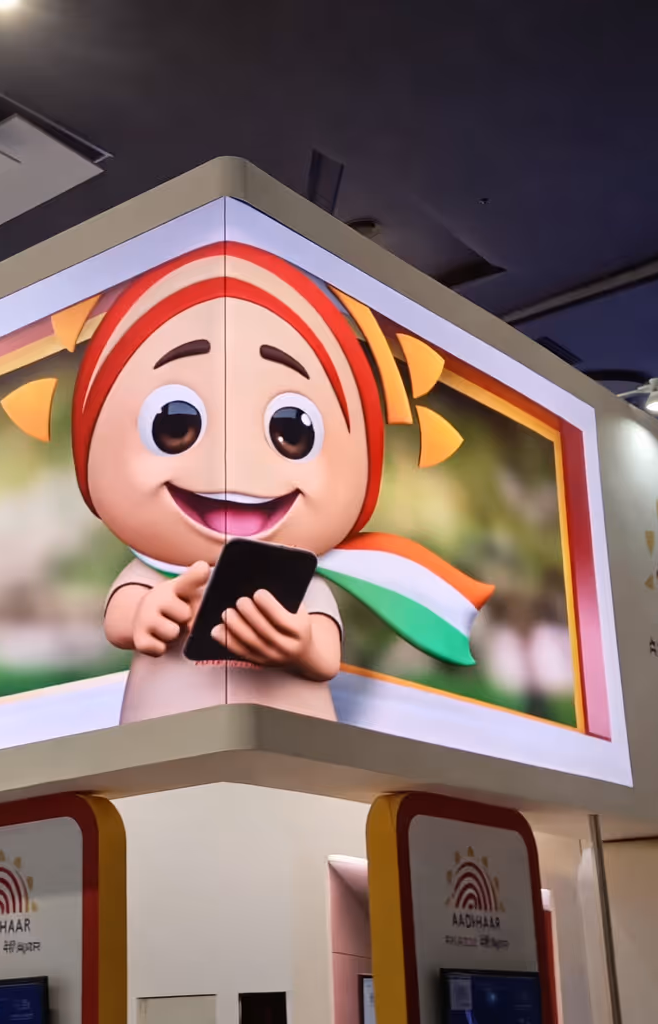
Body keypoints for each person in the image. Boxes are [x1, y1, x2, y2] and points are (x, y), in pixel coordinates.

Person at [64, 242, 495, 724]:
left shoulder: (300, 582)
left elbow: (325, 658)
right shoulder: (152, 571)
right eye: (175, 424)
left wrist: (299, 642)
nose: (237, 464)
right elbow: (120, 620)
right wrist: (148, 612)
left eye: (293, 432)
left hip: (293, 741)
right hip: (168, 733)